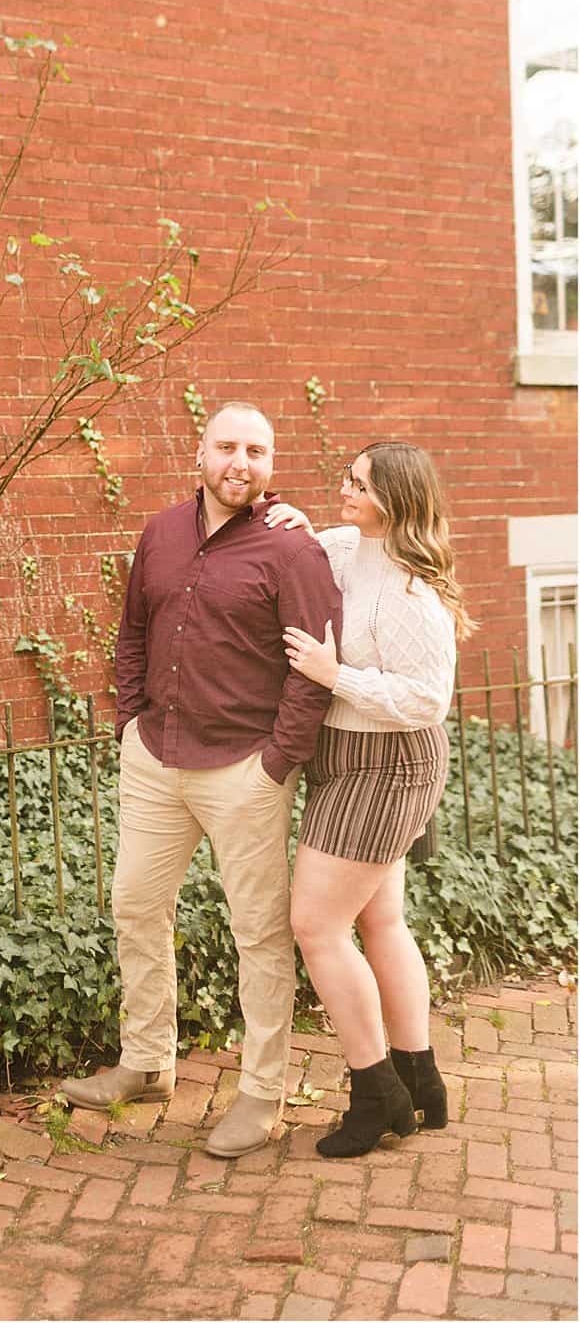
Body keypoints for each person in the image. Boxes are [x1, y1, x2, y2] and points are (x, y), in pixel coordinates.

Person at [61, 402, 342, 1159]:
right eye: (227, 447)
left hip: (243, 769)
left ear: (271, 461)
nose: (239, 463)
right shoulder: (160, 532)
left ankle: (261, 1093)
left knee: (259, 934)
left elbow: (313, 672)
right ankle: (147, 1061)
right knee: (135, 907)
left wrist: (276, 763)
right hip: (156, 757)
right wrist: (128, 722)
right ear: (200, 451)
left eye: (256, 449)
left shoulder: (293, 550)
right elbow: (131, 633)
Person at [267, 441, 473, 1157]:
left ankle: (375, 1091)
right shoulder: (351, 545)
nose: (343, 489)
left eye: (357, 483)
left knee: (316, 926)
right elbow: (316, 548)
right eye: (346, 479)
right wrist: (294, 522)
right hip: (346, 755)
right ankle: (421, 1081)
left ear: (394, 497)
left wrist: (333, 675)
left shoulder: (415, 594)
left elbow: (426, 700)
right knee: (382, 919)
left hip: (388, 763)